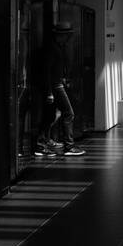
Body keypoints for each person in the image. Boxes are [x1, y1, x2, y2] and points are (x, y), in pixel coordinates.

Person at [34, 21, 85, 157]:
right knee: (69, 113)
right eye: (66, 35)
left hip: (55, 85)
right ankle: (69, 146)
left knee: (50, 115)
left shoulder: (55, 47)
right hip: (55, 86)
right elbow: (47, 71)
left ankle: (41, 144)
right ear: (60, 35)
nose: (68, 38)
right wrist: (49, 92)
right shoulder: (53, 48)